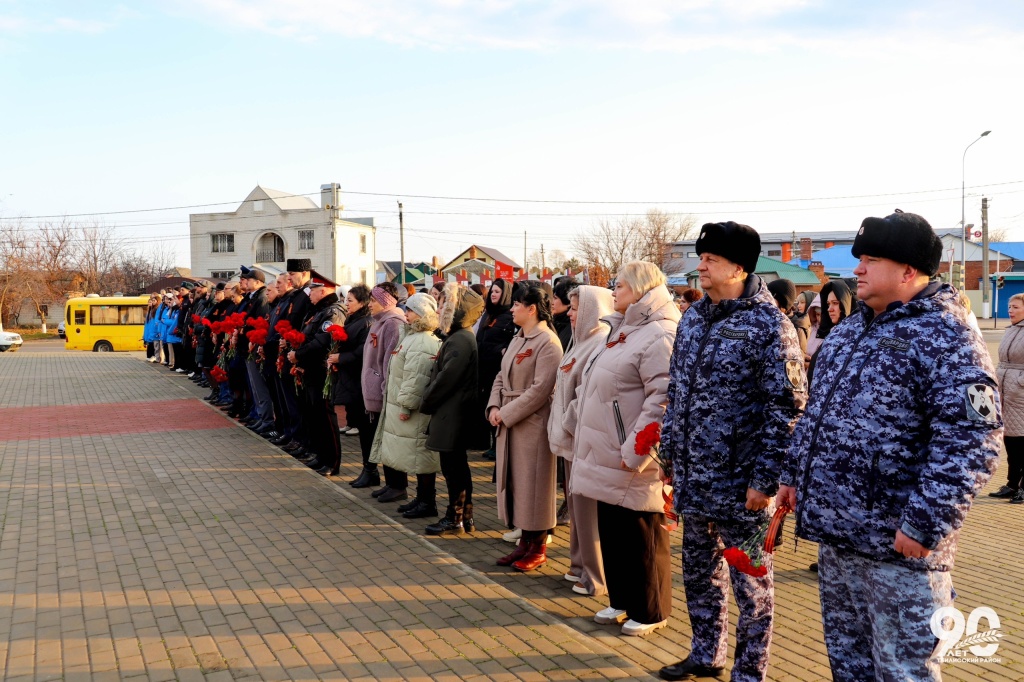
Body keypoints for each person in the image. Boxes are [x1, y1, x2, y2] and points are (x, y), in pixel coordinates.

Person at [779, 210, 1002, 681]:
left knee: (904, 672)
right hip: (839, 545)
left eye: (871, 259)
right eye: (859, 258)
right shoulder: (847, 335)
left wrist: (924, 524)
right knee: (850, 668)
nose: (857, 269)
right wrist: (793, 476)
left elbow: (972, 440)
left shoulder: (947, 336)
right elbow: (817, 416)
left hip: (900, 553)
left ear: (908, 271)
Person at [659, 223, 806, 681]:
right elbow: (677, 393)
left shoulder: (768, 324)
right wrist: (669, 456)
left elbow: (786, 408)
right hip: (694, 478)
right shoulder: (694, 317)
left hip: (741, 486)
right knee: (699, 574)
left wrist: (764, 481)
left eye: (711, 260)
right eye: (701, 258)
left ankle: (750, 671)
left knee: (752, 585)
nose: (700, 266)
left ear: (739, 267)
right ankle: (706, 653)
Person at [570, 261, 681, 638]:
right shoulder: (623, 330)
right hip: (606, 450)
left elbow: (662, 398)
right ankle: (622, 599)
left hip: (631, 454)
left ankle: (651, 610)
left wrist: (637, 449)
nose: (613, 291)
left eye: (619, 285)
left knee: (642, 532)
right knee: (614, 529)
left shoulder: (660, 333)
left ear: (640, 289)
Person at [488, 284, 563, 572]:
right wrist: (494, 406)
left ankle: (539, 546)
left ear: (531, 309)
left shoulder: (547, 342)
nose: (511, 309)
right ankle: (524, 542)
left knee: (535, 485)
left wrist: (505, 413)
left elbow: (541, 390)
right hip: (510, 421)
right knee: (517, 482)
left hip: (532, 424)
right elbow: (500, 376)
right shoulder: (519, 337)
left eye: (517, 305)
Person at [548, 284, 614, 597]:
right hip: (568, 440)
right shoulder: (580, 343)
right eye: (571, 308)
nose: (571, 314)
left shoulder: (599, 343)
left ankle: (595, 578)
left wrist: (567, 422)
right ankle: (578, 566)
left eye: (576, 308)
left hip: (581, 440)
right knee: (576, 512)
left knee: (588, 516)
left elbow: (586, 394)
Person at [370, 293, 443, 514]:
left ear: (421, 313)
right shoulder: (412, 336)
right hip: (402, 406)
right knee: (415, 453)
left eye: (410, 310)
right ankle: (420, 498)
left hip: (413, 410)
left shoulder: (423, 341)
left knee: (421, 455)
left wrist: (405, 406)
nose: (406, 313)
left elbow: (416, 379)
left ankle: (427, 502)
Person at [422, 283, 485, 535]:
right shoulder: (460, 336)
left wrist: (426, 400)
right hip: (453, 411)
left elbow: (447, 378)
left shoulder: (461, 339)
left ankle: (455, 517)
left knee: (453, 469)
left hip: (453, 413)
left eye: (445, 305)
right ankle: (464, 516)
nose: (439, 309)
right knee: (456, 466)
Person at [291, 272, 347, 476]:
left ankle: (332, 462)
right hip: (310, 369)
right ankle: (321, 456)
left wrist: (298, 354)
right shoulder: (318, 311)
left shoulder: (333, 311)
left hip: (321, 371)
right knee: (315, 416)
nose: (309, 295)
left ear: (322, 291)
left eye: (312, 291)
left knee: (325, 417)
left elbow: (322, 342)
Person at [361, 282, 409, 503]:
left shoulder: (392, 324)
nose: (369, 304)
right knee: (382, 439)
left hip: (385, 393)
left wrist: (384, 388)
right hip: (375, 391)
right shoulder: (378, 322)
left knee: (389, 439)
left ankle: (398, 485)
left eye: (373, 300)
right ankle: (391, 483)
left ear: (384, 302)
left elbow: (391, 361)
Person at [328, 285, 376, 487]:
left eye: (350, 301)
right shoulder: (353, 320)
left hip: (358, 382)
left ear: (363, 303)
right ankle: (367, 469)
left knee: (366, 429)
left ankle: (371, 470)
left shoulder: (366, 323)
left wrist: (341, 357)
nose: (346, 304)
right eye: (346, 300)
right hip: (350, 380)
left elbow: (363, 353)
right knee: (360, 426)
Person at [475, 278, 517, 459]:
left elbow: (506, 344)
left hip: (497, 369)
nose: (493, 294)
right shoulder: (489, 314)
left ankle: (497, 444)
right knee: (487, 403)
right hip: (484, 367)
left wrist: (498, 350)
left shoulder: (509, 316)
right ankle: (491, 442)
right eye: (492, 291)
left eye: (497, 291)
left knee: (497, 403)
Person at [992, 292, 1024, 503]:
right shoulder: (1011, 330)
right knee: (1010, 442)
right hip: (1006, 392)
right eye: (1009, 307)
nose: (1010, 310)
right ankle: (1012, 484)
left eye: (1015, 307)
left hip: (1020, 393)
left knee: (1022, 443)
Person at [551, 278, 579, 350]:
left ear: (568, 302)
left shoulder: (573, 328)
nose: (552, 302)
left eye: (555, 298)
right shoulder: (554, 322)